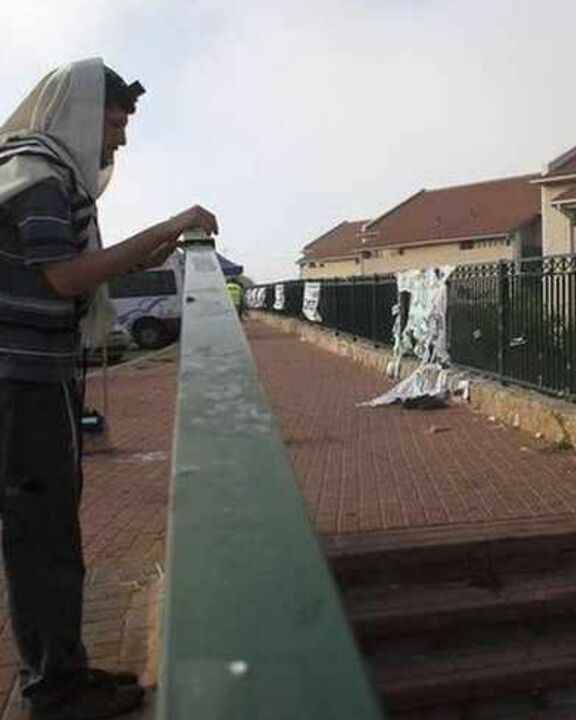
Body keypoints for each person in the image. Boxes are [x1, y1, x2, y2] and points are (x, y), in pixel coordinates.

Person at [0, 59, 217, 718]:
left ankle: (65, 672)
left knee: (49, 533)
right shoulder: (36, 176)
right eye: (115, 123)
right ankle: (54, 691)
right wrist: (162, 230)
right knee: (41, 538)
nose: (119, 140)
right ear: (81, 113)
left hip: (36, 377)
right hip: (23, 382)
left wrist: (138, 255)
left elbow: (60, 272)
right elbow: (62, 278)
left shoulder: (33, 169)